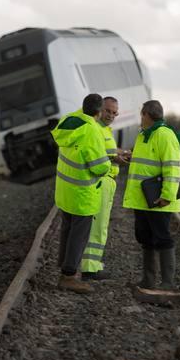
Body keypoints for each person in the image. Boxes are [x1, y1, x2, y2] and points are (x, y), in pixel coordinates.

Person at [51, 94, 112, 294]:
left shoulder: (68, 121)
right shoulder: (92, 131)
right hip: (83, 193)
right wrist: (110, 162)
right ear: (99, 111)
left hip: (65, 190)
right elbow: (99, 167)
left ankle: (64, 268)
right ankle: (69, 276)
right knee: (79, 235)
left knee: (67, 230)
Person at [123, 99, 180, 290]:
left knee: (162, 237)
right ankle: (148, 280)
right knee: (145, 237)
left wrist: (167, 196)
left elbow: (172, 168)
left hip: (158, 199)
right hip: (142, 199)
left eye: (141, 114)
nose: (140, 118)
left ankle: (168, 283)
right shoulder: (144, 135)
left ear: (147, 115)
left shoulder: (165, 135)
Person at [80, 96, 130, 281]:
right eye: (108, 111)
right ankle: (90, 269)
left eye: (114, 112)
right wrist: (115, 157)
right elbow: (96, 153)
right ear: (100, 109)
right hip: (100, 181)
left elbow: (105, 150)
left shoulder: (104, 129)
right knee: (97, 227)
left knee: (100, 227)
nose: (111, 115)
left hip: (106, 182)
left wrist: (120, 152)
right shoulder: (96, 128)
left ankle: (92, 265)